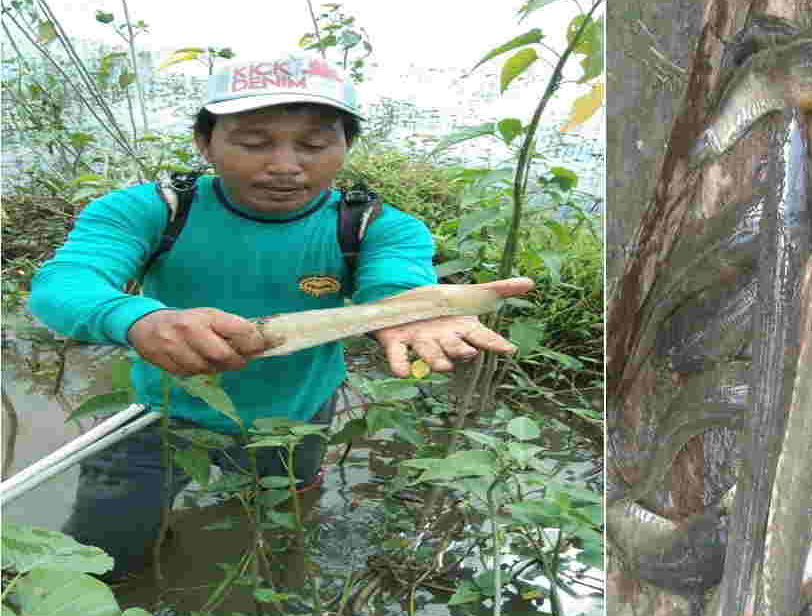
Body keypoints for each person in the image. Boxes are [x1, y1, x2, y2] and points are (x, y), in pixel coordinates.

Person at [28, 53, 534, 580]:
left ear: (345, 146)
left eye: (314, 144)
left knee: (274, 530)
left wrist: (413, 311)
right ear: (205, 142)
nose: (286, 164)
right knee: (101, 559)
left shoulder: (376, 226)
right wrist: (136, 319)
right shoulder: (149, 209)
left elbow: (396, 282)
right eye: (253, 142)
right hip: (161, 412)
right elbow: (63, 285)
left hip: (295, 418)